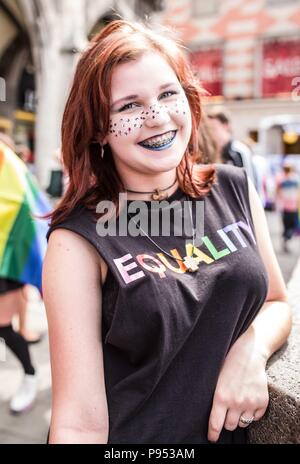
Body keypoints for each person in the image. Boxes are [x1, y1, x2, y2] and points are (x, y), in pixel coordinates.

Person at [43, 20, 292, 444]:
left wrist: (250, 349)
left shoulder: (232, 186)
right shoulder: (76, 242)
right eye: (128, 106)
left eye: (167, 93)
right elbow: (79, 423)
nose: (156, 117)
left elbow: (277, 301)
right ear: (100, 129)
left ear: (189, 99)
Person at [0, 139, 50, 413]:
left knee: (3, 326)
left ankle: (30, 374)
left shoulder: (7, 161)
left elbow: (21, 202)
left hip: (5, 257)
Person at [207, 108, 257, 186]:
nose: (210, 133)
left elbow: (249, 181)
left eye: (213, 129)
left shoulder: (239, 151)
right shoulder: (210, 151)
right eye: (208, 129)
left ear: (225, 126)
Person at [276, 161, 300, 252]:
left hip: (287, 207)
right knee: (289, 226)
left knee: (288, 225)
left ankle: (286, 239)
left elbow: (277, 192)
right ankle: (286, 239)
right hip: (290, 207)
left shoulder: (282, 179)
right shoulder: (294, 179)